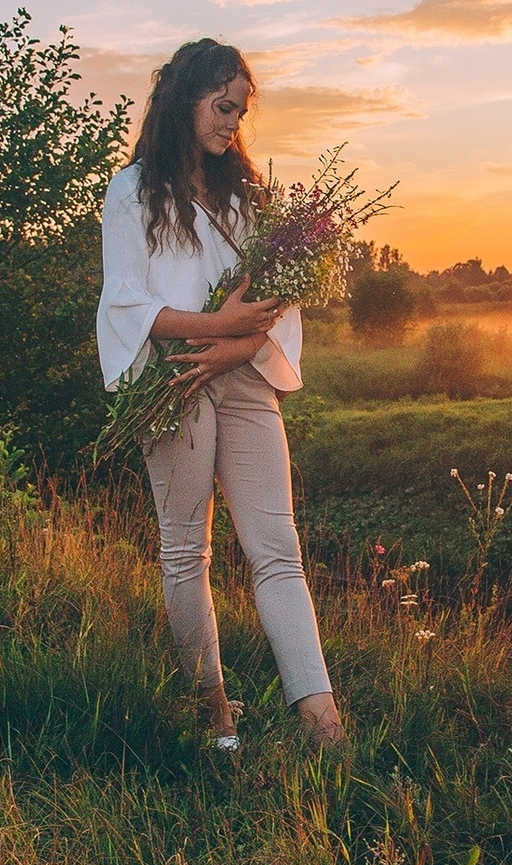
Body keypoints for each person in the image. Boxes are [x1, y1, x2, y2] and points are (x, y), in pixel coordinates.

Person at [96, 39, 345, 752]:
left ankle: (324, 725)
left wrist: (233, 345)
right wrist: (212, 333)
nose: (231, 123)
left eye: (239, 111)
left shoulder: (245, 196)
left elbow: (274, 301)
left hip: (242, 375)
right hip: (170, 380)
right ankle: (215, 718)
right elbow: (126, 305)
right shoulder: (134, 190)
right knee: (186, 553)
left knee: (278, 551)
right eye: (220, 106)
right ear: (184, 99)